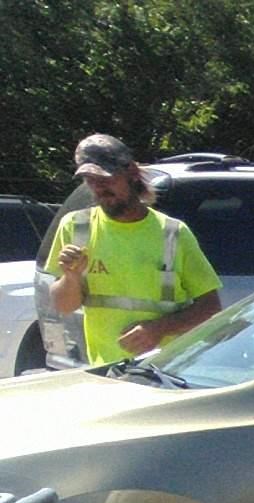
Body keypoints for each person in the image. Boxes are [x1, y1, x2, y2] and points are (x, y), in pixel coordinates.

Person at [42, 134, 222, 365]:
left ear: (132, 173)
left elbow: (211, 308)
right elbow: (64, 306)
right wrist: (71, 276)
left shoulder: (173, 233)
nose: (99, 187)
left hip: (167, 371)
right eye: (90, 180)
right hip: (107, 371)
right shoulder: (75, 227)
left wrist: (159, 328)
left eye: (106, 178)